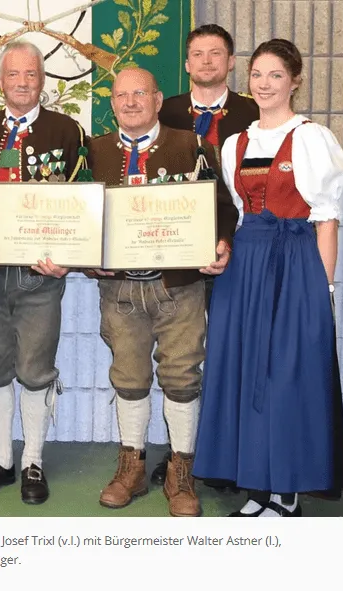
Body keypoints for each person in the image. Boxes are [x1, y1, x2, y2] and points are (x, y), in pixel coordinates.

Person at [194, 39, 343, 517]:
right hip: (245, 268)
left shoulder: (311, 138)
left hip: (294, 264)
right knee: (245, 370)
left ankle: (287, 490)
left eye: (276, 75)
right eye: (257, 74)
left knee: (286, 375)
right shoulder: (235, 144)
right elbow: (239, 214)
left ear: (295, 81)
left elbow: (326, 219)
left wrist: (323, 290)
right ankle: (257, 485)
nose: (264, 84)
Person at [86, 68, 237, 517]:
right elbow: (77, 215)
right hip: (120, 290)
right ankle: (131, 467)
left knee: (182, 376)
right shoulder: (94, 150)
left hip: (179, 288)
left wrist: (222, 242)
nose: (130, 102)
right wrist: (83, 257)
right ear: (112, 103)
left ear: (157, 100)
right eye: (121, 95)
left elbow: (223, 207)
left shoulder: (191, 145)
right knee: (128, 377)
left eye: (140, 93)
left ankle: (181, 472)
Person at [0, 40, 90, 506]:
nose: (22, 82)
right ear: (0, 82)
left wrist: (70, 255)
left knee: (36, 369)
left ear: (43, 80)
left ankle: (33, 459)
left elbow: (82, 201)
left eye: (30, 74)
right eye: (13, 74)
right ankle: (1, 459)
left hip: (41, 277)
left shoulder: (67, 130)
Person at [153, 23, 259, 490]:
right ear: (186, 63)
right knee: (180, 360)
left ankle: (229, 453)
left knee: (231, 352)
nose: (207, 61)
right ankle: (182, 451)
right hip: (177, 256)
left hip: (238, 250)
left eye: (217, 53)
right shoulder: (166, 110)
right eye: (198, 53)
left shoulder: (254, 112)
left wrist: (228, 240)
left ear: (232, 62)